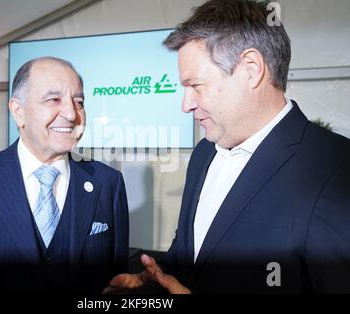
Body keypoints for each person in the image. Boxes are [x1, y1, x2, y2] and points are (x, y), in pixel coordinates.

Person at [107, 0, 350, 294]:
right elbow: (191, 256)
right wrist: (150, 282)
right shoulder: (204, 153)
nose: (186, 105)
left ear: (251, 69)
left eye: (195, 86)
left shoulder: (336, 168)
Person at [0, 57, 129, 294]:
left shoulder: (108, 183)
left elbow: (117, 284)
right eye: (54, 99)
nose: (72, 114)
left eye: (78, 101)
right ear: (18, 112)